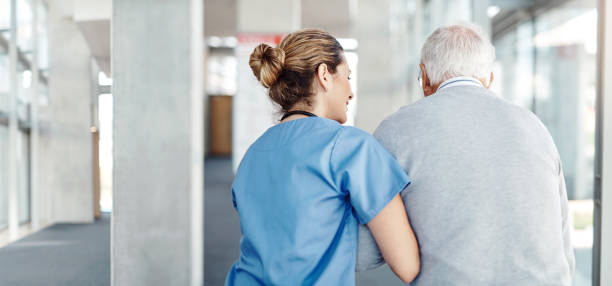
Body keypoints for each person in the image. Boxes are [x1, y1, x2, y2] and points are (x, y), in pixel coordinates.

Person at [357, 23, 575, 285]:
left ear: (424, 77)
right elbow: (562, 242)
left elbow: (365, 254)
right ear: (489, 79)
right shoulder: (535, 127)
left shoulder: (396, 130)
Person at [225, 29, 420, 285]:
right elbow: (407, 265)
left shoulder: (252, 156)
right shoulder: (351, 146)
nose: (351, 92)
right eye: (348, 77)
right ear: (324, 75)